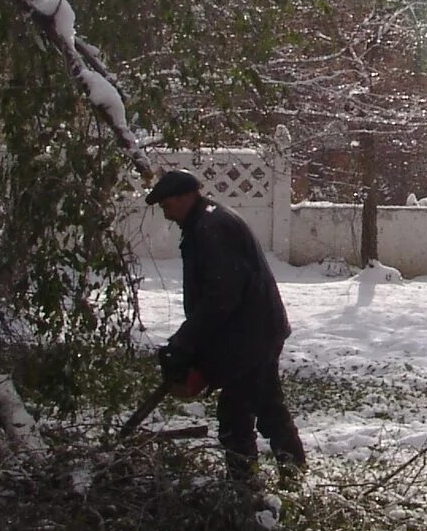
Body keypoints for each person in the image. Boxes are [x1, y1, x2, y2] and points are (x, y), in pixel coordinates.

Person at [121, 169, 305, 486]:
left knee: (239, 414)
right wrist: (190, 344)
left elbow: (222, 295)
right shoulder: (206, 223)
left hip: (251, 335)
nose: (166, 214)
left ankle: (247, 486)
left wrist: (185, 341)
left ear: (185, 197)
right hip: (252, 331)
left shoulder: (212, 228)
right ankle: (285, 476)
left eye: (167, 206)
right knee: (263, 405)